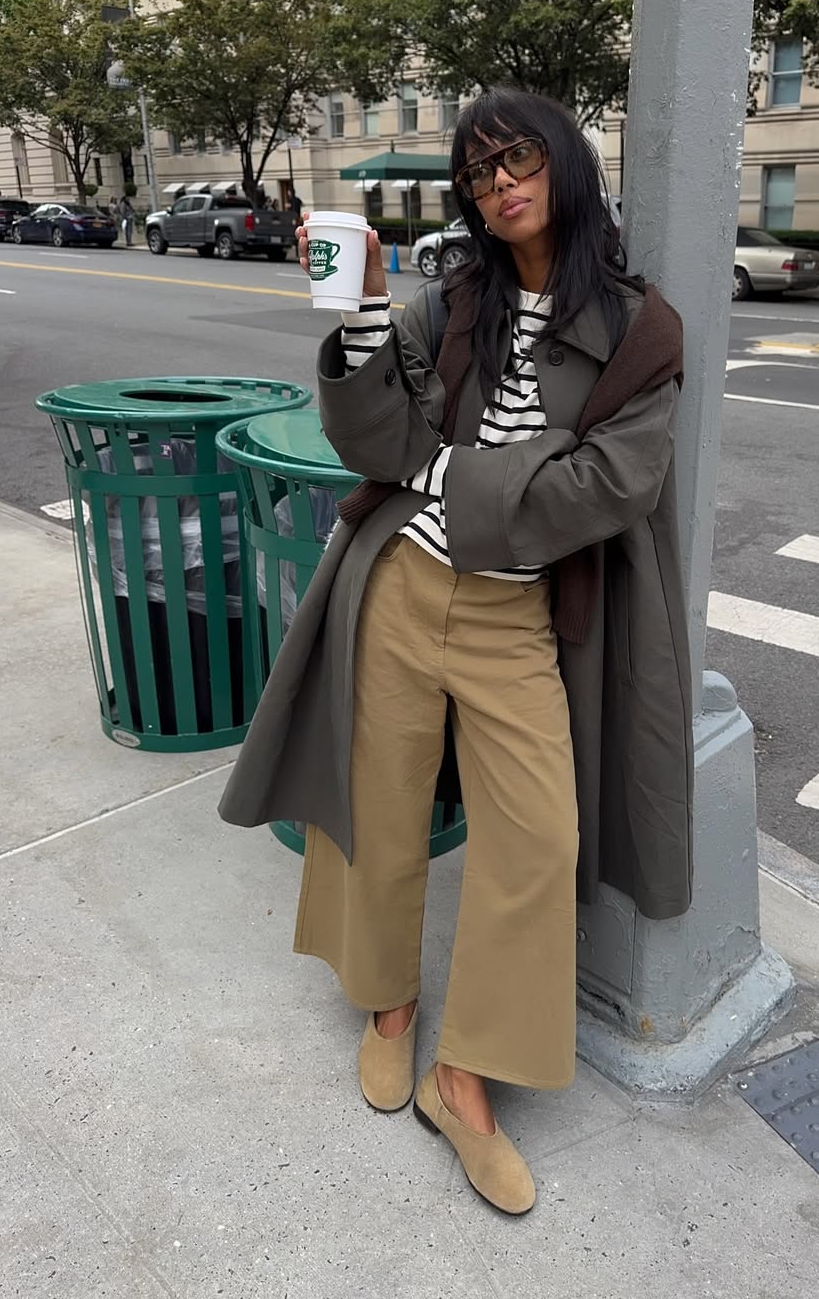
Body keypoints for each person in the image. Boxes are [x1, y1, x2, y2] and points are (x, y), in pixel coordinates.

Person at [219, 88, 694, 1215]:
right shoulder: (449, 301)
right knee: (378, 806)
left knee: (537, 837)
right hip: (399, 584)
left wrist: (449, 473)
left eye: (517, 158)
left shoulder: (641, 328)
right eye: (478, 174)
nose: (501, 184)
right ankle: (389, 1003)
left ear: (564, 162)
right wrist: (363, 314)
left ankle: (465, 1073)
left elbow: (612, 484)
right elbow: (377, 440)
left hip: (514, 616)